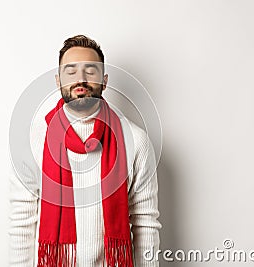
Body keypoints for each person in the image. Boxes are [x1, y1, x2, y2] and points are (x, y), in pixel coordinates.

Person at [9, 35, 161, 266]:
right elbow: (21, 221)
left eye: (90, 71)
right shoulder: (32, 140)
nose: (80, 78)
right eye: (71, 72)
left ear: (105, 80)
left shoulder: (136, 140)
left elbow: (145, 224)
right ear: (58, 80)